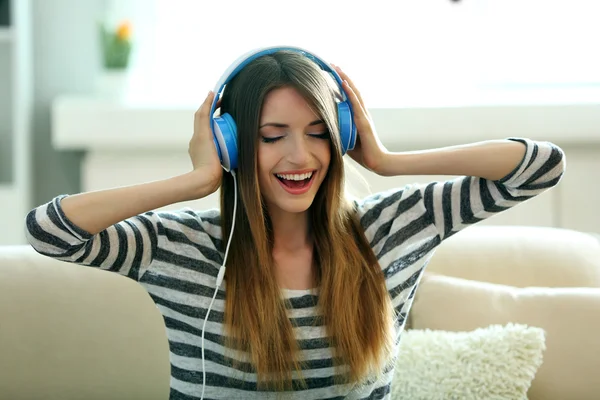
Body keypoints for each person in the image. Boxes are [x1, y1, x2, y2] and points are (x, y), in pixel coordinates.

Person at [25, 48, 566, 400]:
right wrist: (195, 181)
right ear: (231, 144)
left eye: (317, 132)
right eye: (271, 135)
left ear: (341, 135)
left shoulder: (389, 230)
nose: (299, 156)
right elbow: (50, 230)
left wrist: (387, 161)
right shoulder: (183, 248)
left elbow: (540, 166)